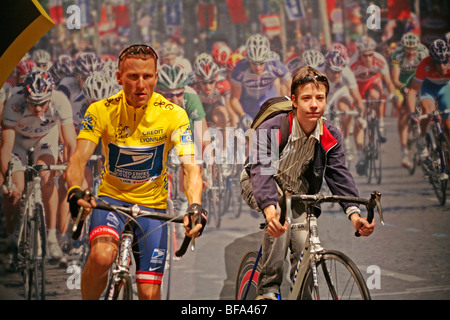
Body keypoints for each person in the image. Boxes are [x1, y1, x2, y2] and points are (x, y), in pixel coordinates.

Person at [64, 44, 206, 300]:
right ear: (119, 77)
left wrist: (195, 205)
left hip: (152, 206)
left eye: (147, 77)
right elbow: (78, 159)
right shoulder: (99, 110)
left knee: (148, 294)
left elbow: (190, 167)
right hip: (111, 201)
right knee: (101, 256)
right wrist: (75, 189)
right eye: (133, 77)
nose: (141, 85)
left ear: (156, 77)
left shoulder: (174, 115)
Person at [242, 66, 375, 300]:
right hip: (258, 183)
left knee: (304, 242)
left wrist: (356, 216)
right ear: (294, 101)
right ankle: (268, 290)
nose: (314, 104)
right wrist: (271, 212)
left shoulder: (329, 134)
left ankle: (303, 293)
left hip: (297, 192)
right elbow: (261, 173)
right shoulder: (272, 129)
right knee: (281, 222)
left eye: (320, 98)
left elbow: (339, 175)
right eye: (306, 98)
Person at [1, 69, 77, 265]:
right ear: (25, 96)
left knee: (46, 176)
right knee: (15, 191)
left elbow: (70, 141)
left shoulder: (60, 101)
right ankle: (10, 237)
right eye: (33, 103)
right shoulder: (14, 104)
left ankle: (51, 238)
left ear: (50, 96)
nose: (38, 108)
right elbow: (6, 146)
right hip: (18, 141)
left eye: (42, 103)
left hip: (45, 138)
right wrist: (7, 180)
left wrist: (72, 168)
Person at [348, 35, 397, 175]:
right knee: (359, 120)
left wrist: (392, 94)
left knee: (377, 96)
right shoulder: (352, 64)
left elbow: (388, 82)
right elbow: (348, 86)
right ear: (359, 55)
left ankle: (380, 123)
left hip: (373, 83)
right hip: (358, 88)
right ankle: (361, 156)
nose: (368, 59)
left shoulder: (380, 60)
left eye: (370, 55)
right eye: (365, 56)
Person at [230, 34, 291, 126]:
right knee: (248, 136)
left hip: (269, 103)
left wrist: (286, 106)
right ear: (248, 60)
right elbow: (234, 99)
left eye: (261, 63)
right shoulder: (240, 69)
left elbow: (293, 88)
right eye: (254, 63)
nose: (258, 67)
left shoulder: (275, 65)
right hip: (247, 106)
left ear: (267, 58)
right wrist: (242, 115)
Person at [407, 39, 450, 166]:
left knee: (448, 127)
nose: (442, 65)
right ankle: (421, 139)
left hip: (445, 88)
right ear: (432, 60)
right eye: (438, 62)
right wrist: (412, 113)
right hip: (428, 88)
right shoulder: (424, 65)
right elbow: (413, 90)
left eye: (445, 61)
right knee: (428, 112)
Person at [390, 32, 428, 169]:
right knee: (403, 111)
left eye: (413, 49)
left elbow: (428, 74)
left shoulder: (423, 52)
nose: (411, 52)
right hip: (402, 83)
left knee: (428, 107)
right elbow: (394, 79)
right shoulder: (397, 55)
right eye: (408, 49)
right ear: (403, 48)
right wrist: (403, 88)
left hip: (418, 81)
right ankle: (404, 152)